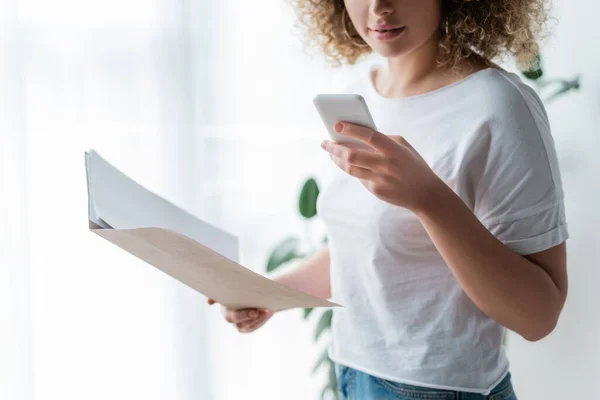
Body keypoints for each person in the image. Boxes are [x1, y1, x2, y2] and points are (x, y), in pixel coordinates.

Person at [208, 0, 569, 398]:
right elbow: (368, 249)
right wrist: (269, 292)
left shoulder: (498, 105)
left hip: (441, 389)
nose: (379, 7)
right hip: (352, 374)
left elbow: (539, 315)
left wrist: (429, 200)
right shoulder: (362, 91)